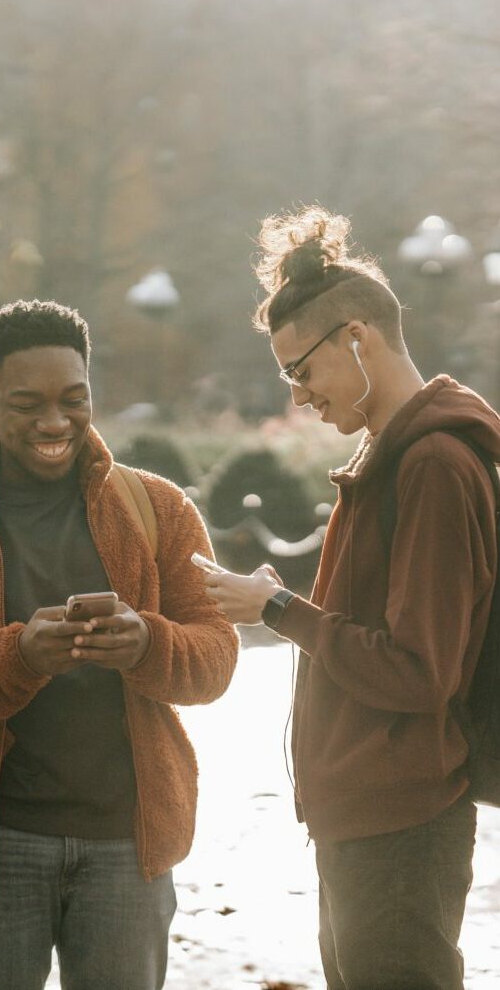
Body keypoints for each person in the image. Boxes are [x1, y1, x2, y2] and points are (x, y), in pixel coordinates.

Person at [0, 300, 239, 990]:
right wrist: (16, 658)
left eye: (73, 400)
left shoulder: (158, 508)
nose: (55, 422)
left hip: (128, 841)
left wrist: (146, 643)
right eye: (27, 403)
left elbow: (216, 657)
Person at [203, 207, 500, 990]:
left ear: (356, 339)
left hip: (401, 820)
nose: (298, 394)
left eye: (299, 369)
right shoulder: (394, 451)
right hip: (370, 816)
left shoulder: (432, 461)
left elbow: (417, 670)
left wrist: (275, 609)